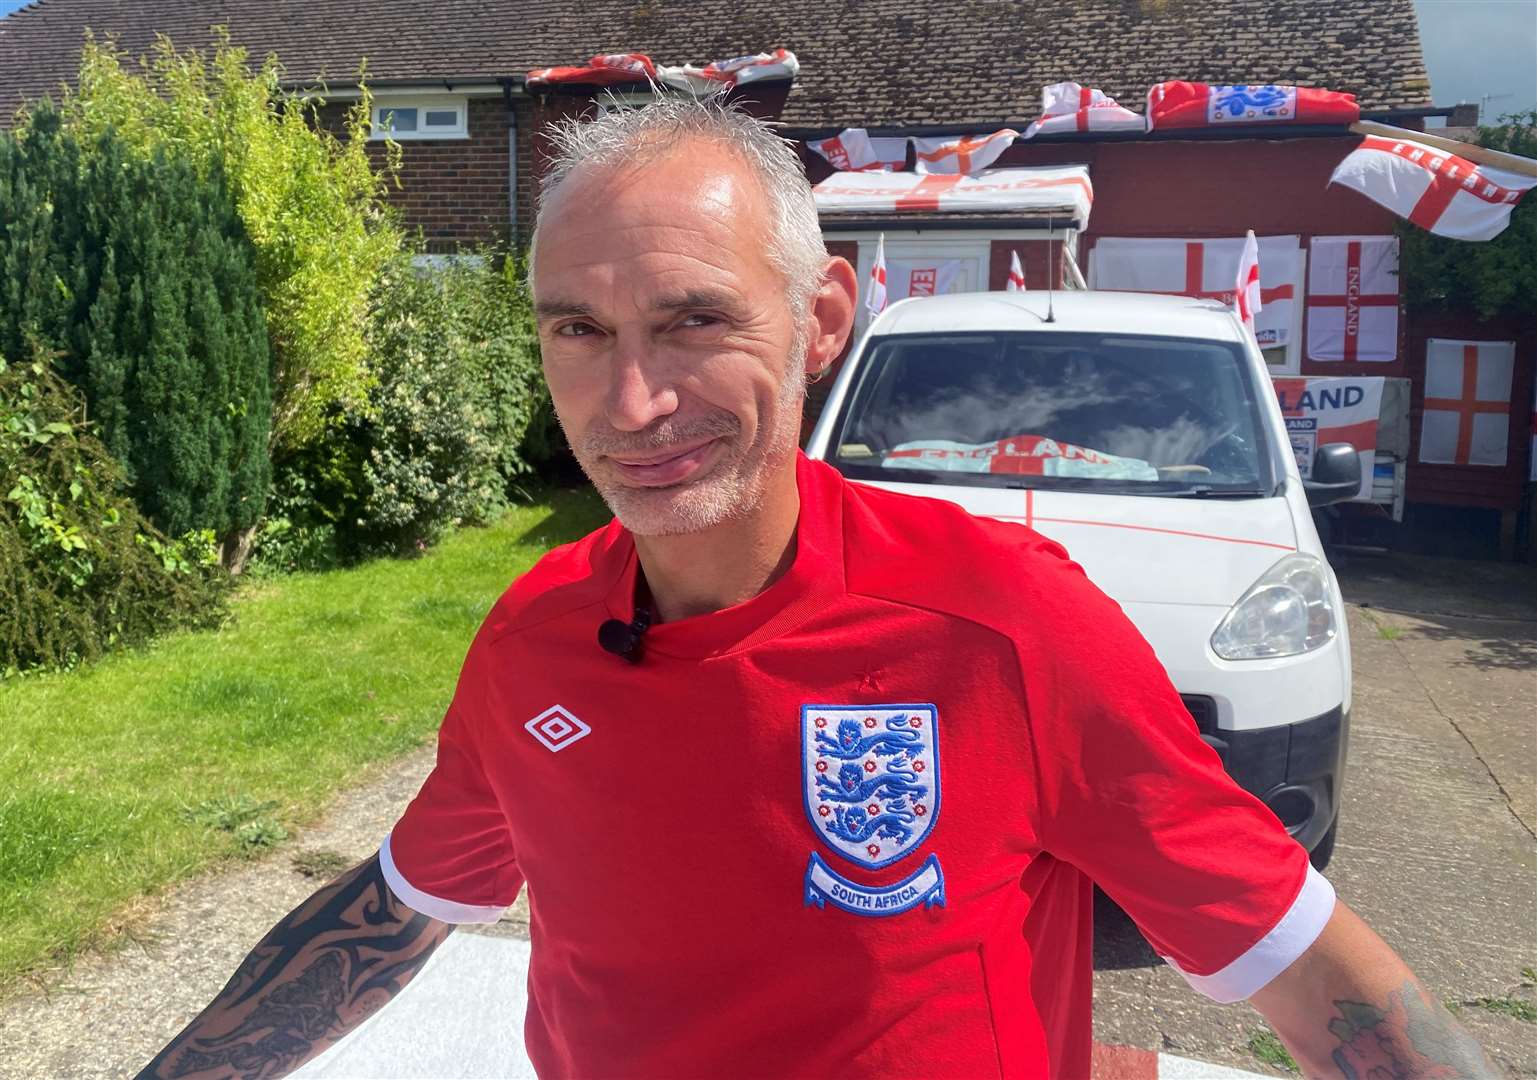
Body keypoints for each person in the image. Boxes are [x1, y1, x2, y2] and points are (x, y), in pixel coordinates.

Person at [141, 97, 1502, 1080]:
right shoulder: (534, 638)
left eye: (695, 320)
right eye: (579, 329)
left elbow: (1306, 966)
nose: (631, 402)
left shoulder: (1000, 623)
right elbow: (395, 906)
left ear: (823, 320)